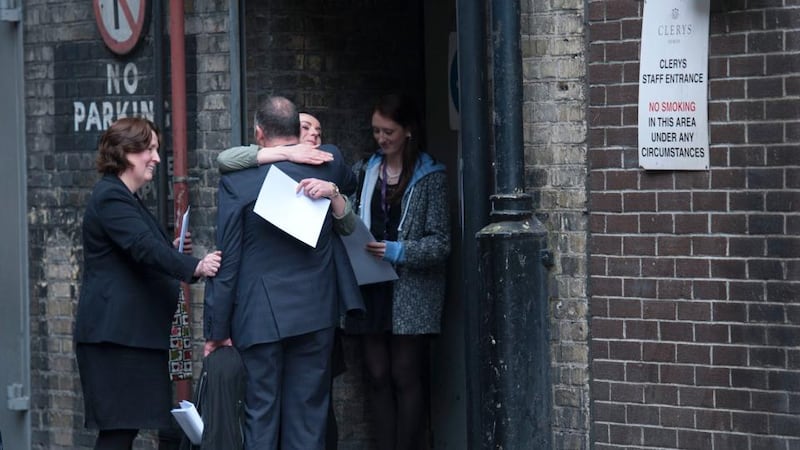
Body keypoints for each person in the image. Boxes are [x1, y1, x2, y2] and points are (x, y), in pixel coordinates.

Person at [203, 96, 362, 450]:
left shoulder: (238, 181)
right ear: (296, 130)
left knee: (260, 419)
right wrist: (331, 187)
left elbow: (228, 261)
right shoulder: (328, 162)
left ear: (259, 134)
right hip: (316, 312)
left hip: (258, 316)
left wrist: (217, 331)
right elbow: (350, 181)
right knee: (309, 420)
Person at [75, 117, 222, 450]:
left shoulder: (125, 197)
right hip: (114, 339)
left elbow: (138, 249)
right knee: (118, 432)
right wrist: (196, 266)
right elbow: (142, 246)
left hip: (128, 336)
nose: (156, 158)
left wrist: (172, 250)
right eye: (150, 149)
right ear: (126, 151)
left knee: (124, 431)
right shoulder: (111, 197)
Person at [346, 93, 450, 450]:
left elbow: (441, 243)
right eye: (376, 131)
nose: (381, 138)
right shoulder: (364, 172)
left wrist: (398, 250)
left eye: (388, 131)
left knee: (405, 374)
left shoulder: (431, 176)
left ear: (407, 130)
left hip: (410, 291)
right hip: (371, 284)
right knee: (376, 375)